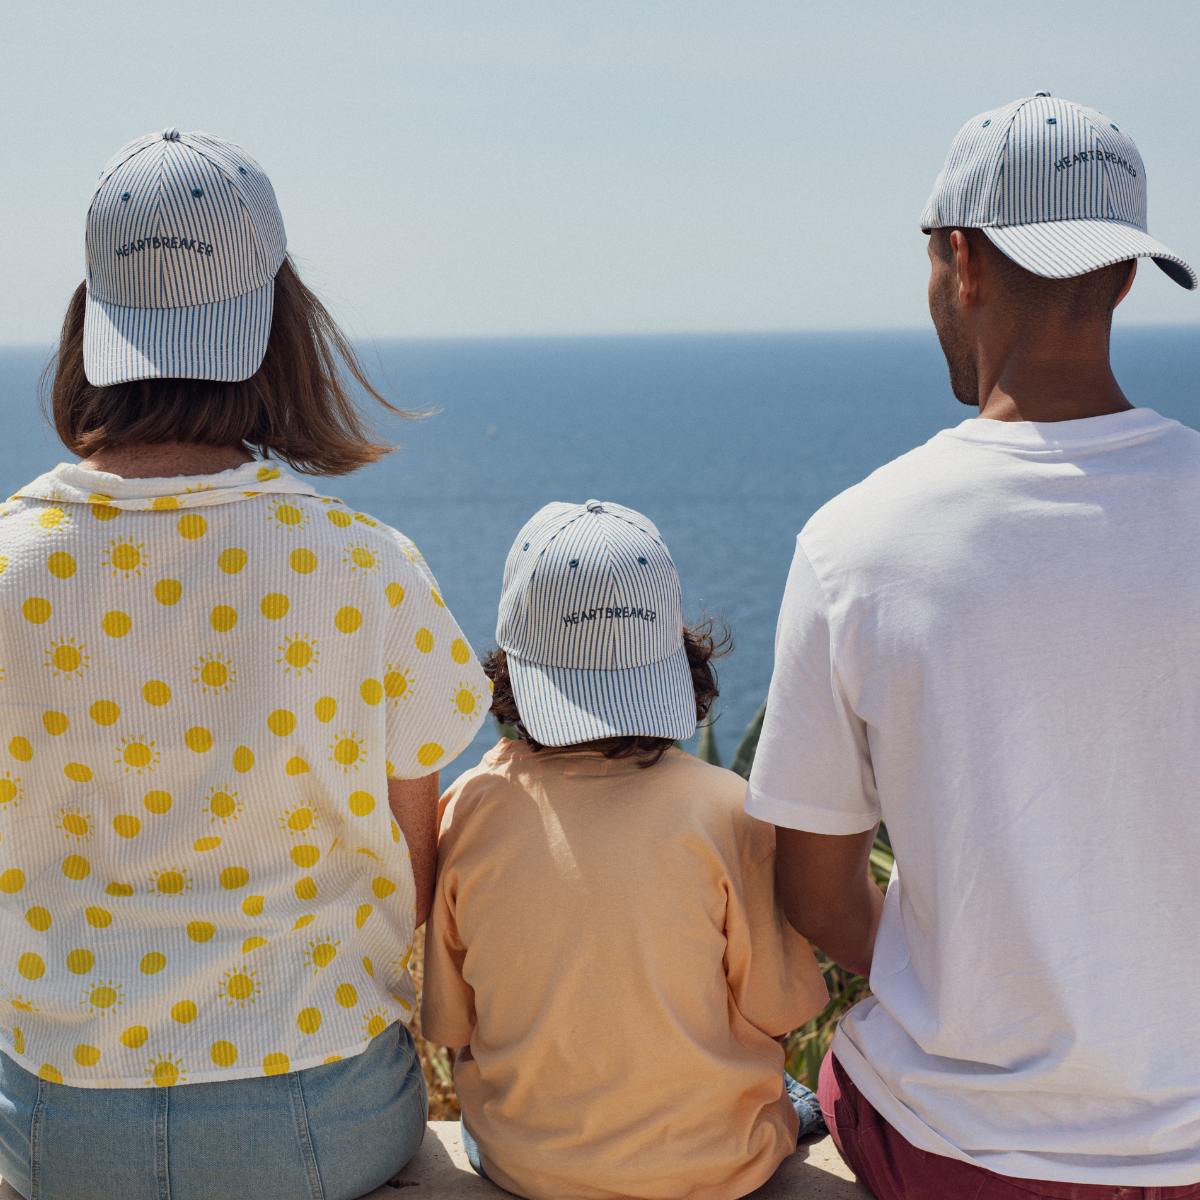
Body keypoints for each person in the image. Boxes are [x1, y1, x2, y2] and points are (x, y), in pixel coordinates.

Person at [0, 127, 490, 1200]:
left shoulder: (7, 564)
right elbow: (414, 874)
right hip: (317, 1114)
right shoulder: (367, 566)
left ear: (93, 318)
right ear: (276, 322)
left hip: (56, 1122)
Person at [747, 92, 1200, 1198]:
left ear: (964, 260)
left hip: (960, 1153)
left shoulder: (857, 542)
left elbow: (814, 892)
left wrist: (972, 968)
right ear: (1129, 274)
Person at [421, 499, 829, 1200]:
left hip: (528, 1165)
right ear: (678, 660)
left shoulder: (468, 808)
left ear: (512, 669)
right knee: (801, 1098)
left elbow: (451, 1023)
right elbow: (777, 1008)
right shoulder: (725, 809)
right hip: (717, 1165)